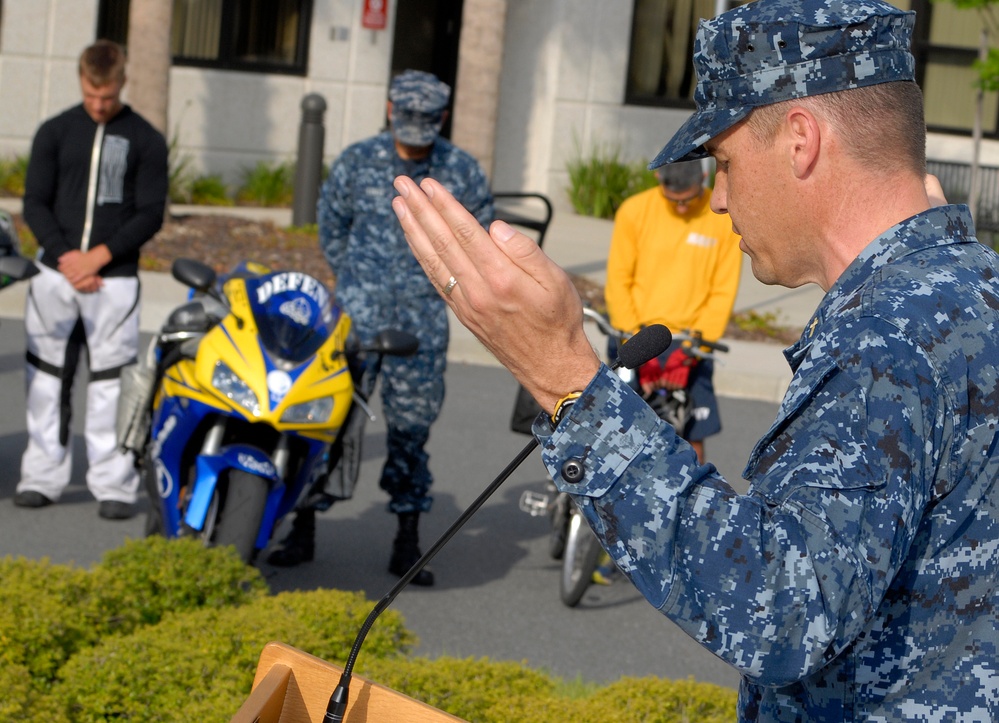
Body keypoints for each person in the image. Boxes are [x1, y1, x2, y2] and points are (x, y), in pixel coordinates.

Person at [389, 0, 999, 718]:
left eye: (725, 160)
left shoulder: (887, 331)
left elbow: (782, 608)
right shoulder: (968, 285)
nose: (717, 197)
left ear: (800, 140)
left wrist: (563, 376)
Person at [267, 70, 493, 586]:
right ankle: (302, 530)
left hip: (421, 320)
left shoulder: (459, 170)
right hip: (357, 319)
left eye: (426, 123)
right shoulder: (357, 160)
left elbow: (476, 238)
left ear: (440, 118)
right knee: (326, 420)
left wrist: (445, 288)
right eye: (407, 119)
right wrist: (355, 279)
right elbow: (332, 224)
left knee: (411, 430)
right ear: (391, 110)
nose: (414, 132)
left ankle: (408, 542)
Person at [14, 40, 168, 520]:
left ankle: (113, 482)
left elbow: (149, 214)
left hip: (113, 279)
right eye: (90, 95)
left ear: (121, 82)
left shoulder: (145, 139)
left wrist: (98, 256)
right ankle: (42, 475)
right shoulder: (55, 131)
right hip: (57, 276)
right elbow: (34, 202)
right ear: (81, 81)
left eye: (106, 95)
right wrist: (67, 258)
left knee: (112, 382)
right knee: (45, 377)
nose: (98, 105)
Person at [605, 159, 742, 462]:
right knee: (620, 435)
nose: (682, 207)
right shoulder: (634, 211)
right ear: (658, 179)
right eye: (673, 200)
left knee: (691, 438)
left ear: (703, 179)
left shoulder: (721, 217)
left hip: (690, 343)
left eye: (690, 199)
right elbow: (618, 281)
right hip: (636, 338)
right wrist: (636, 348)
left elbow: (722, 291)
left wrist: (694, 349)